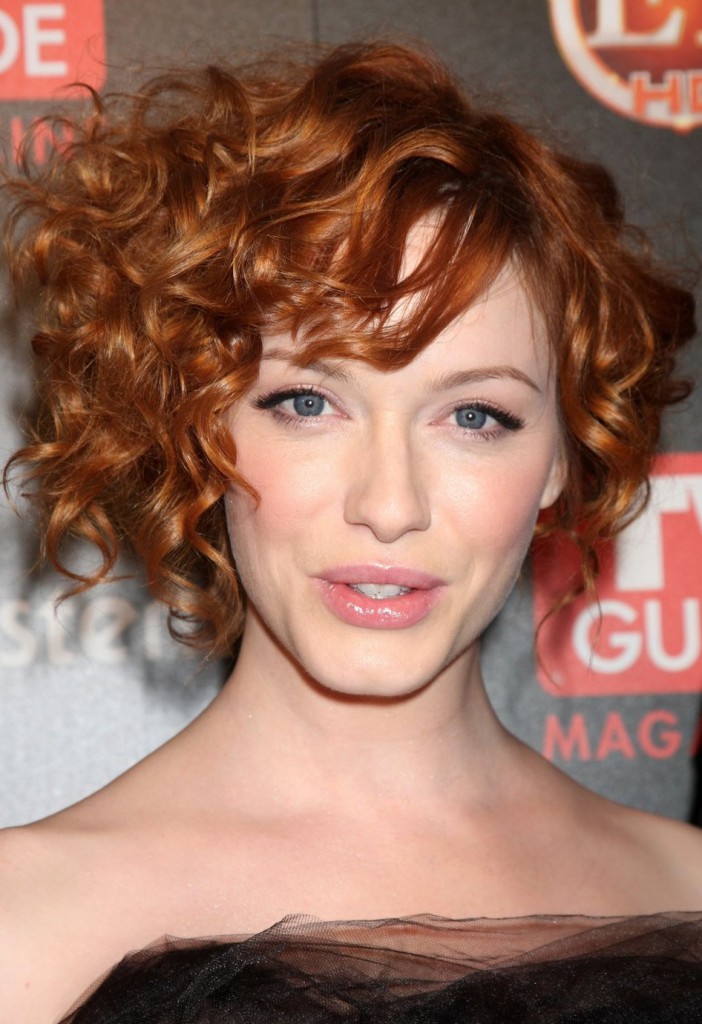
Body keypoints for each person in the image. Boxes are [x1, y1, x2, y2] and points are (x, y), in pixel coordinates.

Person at [1, 39, 701, 1024]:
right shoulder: (24, 927)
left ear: (560, 457)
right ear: (201, 422)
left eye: (475, 416)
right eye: (308, 403)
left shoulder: (685, 888)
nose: (389, 503)